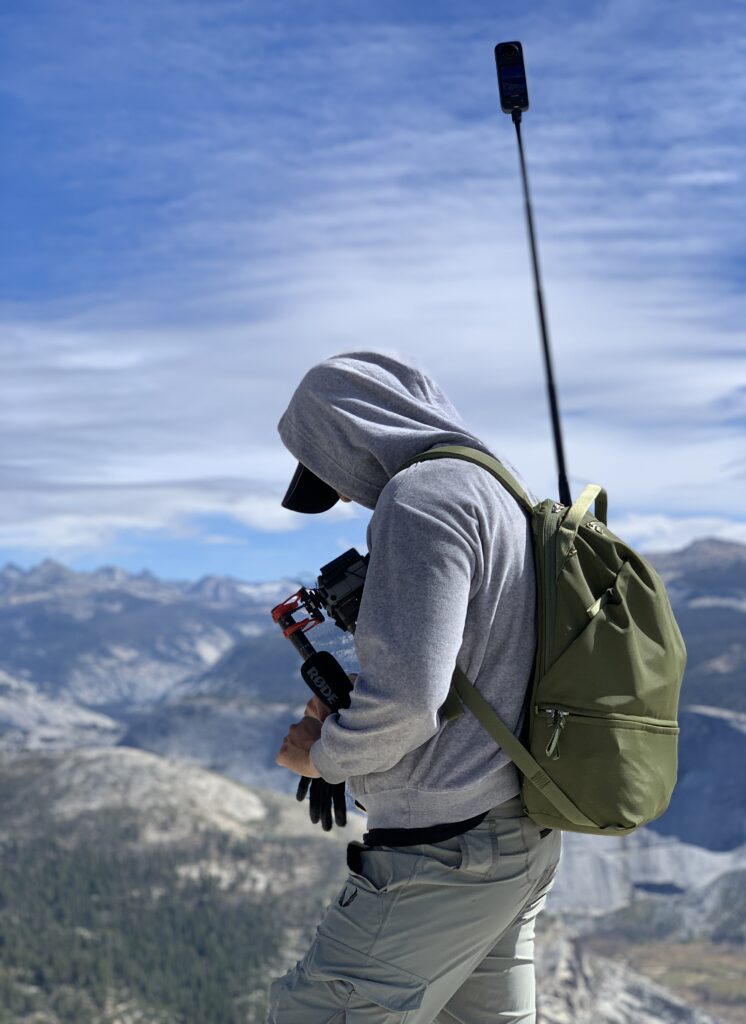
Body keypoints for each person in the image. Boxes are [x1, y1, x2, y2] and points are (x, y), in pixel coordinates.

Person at [268, 351, 561, 1024]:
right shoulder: (497, 490)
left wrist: (323, 755)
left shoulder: (420, 498)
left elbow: (406, 704)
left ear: (353, 435)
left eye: (329, 469)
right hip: (518, 833)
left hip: (446, 855)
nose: (341, 494)